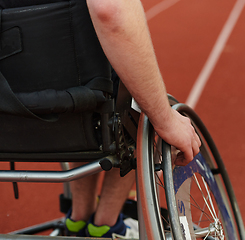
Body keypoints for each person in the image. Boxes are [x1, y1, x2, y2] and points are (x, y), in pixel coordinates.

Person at [66, 0, 202, 238]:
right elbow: (109, 9)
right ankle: (105, 226)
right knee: (135, 103)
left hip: (7, 108)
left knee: (73, 94)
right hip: (80, 93)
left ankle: (78, 221)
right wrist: (165, 120)